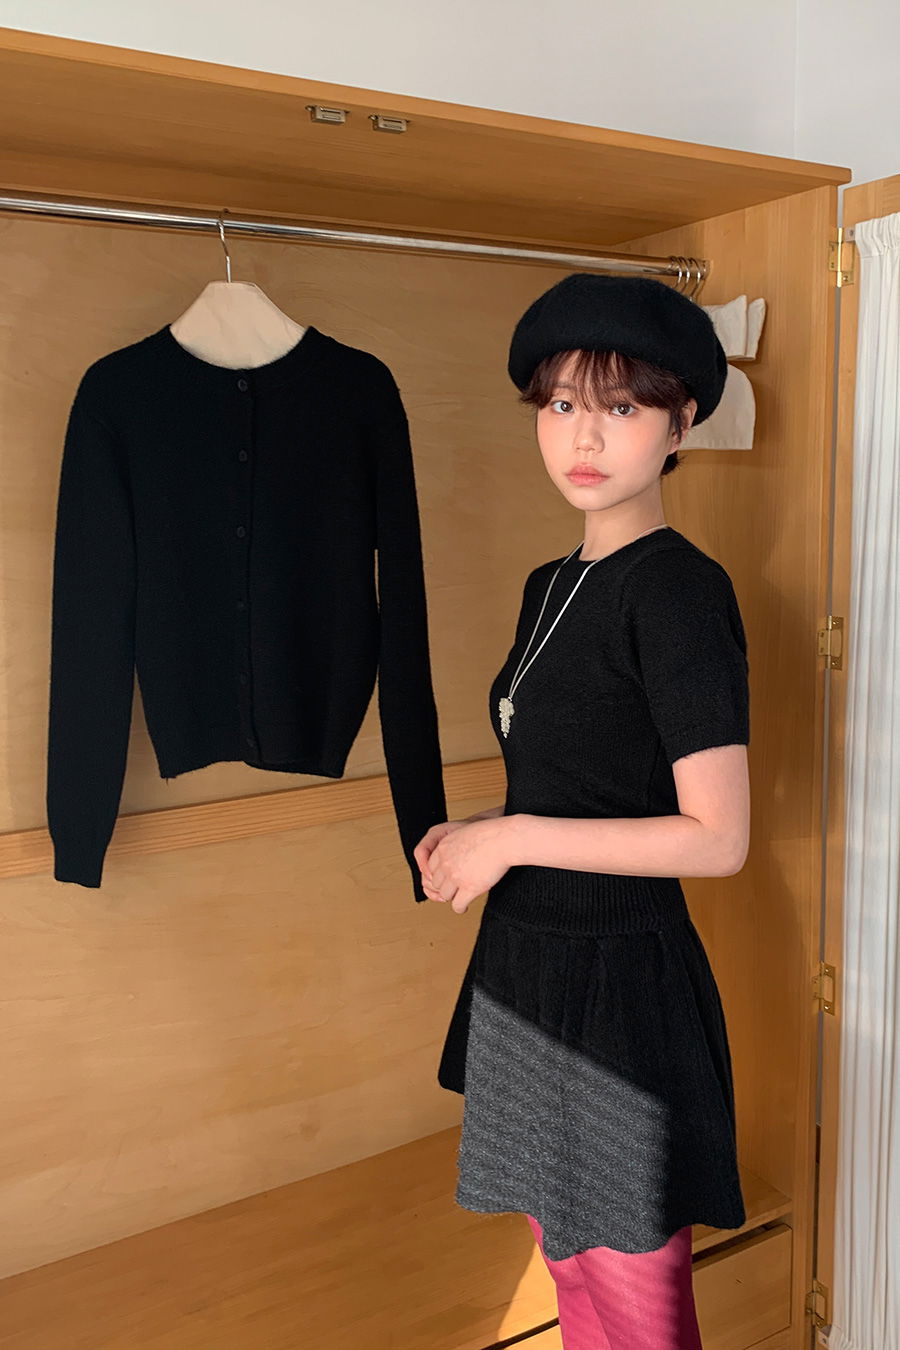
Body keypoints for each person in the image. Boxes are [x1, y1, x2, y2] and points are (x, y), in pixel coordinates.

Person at [413, 274, 751, 1350]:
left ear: (679, 423)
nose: (584, 436)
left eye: (622, 406)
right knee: (571, 1280)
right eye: (561, 404)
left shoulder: (679, 590)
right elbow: (584, 780)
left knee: (640, 1309)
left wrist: (511, 837)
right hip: (531, 967)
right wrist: (480, 833)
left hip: (622, 988)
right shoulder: (548, 584)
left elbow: (719, 838)